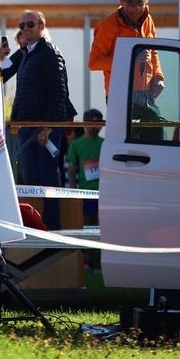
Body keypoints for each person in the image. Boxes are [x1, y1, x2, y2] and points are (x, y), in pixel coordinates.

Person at [0, 10, 76, 229]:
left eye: (29, 24)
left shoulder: (49, 52)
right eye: (21, 26)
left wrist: (49, 126)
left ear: (42, 26)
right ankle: (35, 225)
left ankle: (52, 227)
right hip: (26, 126)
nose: (25, 29)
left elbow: (59, 92)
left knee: (47, 177)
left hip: (43, 128)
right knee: (30, 177)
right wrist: (0, 57)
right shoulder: (26, 53)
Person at [88, 0, 164, 102]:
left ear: (146, 3)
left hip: (147, 94)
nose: (136, 10)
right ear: (122, 2)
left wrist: (158, 76)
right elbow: (94, 63)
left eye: (140, 5)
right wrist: (130, 58)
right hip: (119, 95)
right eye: (131, 6)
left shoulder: (148, 20)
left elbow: (153, 51)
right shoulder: (108, 26)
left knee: (156, 121)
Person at [66, 108, 104, 272]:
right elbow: (72, 170)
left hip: (104, 195)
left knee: (103, 228)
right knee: (87, 228)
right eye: (93, 123)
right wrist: (74, 193)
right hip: (86, 194)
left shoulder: (105, 144)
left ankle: (101, 262)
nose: (97, 127)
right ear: (86, 123)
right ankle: (87, 262)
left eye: (100, 124)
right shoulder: (76, 145)